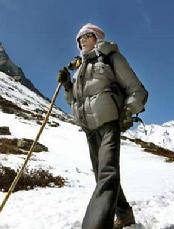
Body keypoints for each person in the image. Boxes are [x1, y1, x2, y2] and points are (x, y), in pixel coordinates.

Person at [57, 23, 148, 229]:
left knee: (107, 173)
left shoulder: (111, 57)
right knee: (103, 175)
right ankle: (124, 214)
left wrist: (127, 111)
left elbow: (138, 90)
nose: (81, 40)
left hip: (109, 124)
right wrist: (66, 85)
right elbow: (73, 100)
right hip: (89, 129)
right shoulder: (79, 68)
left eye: (86, 36)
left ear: (97, 37)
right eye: (78, 38)